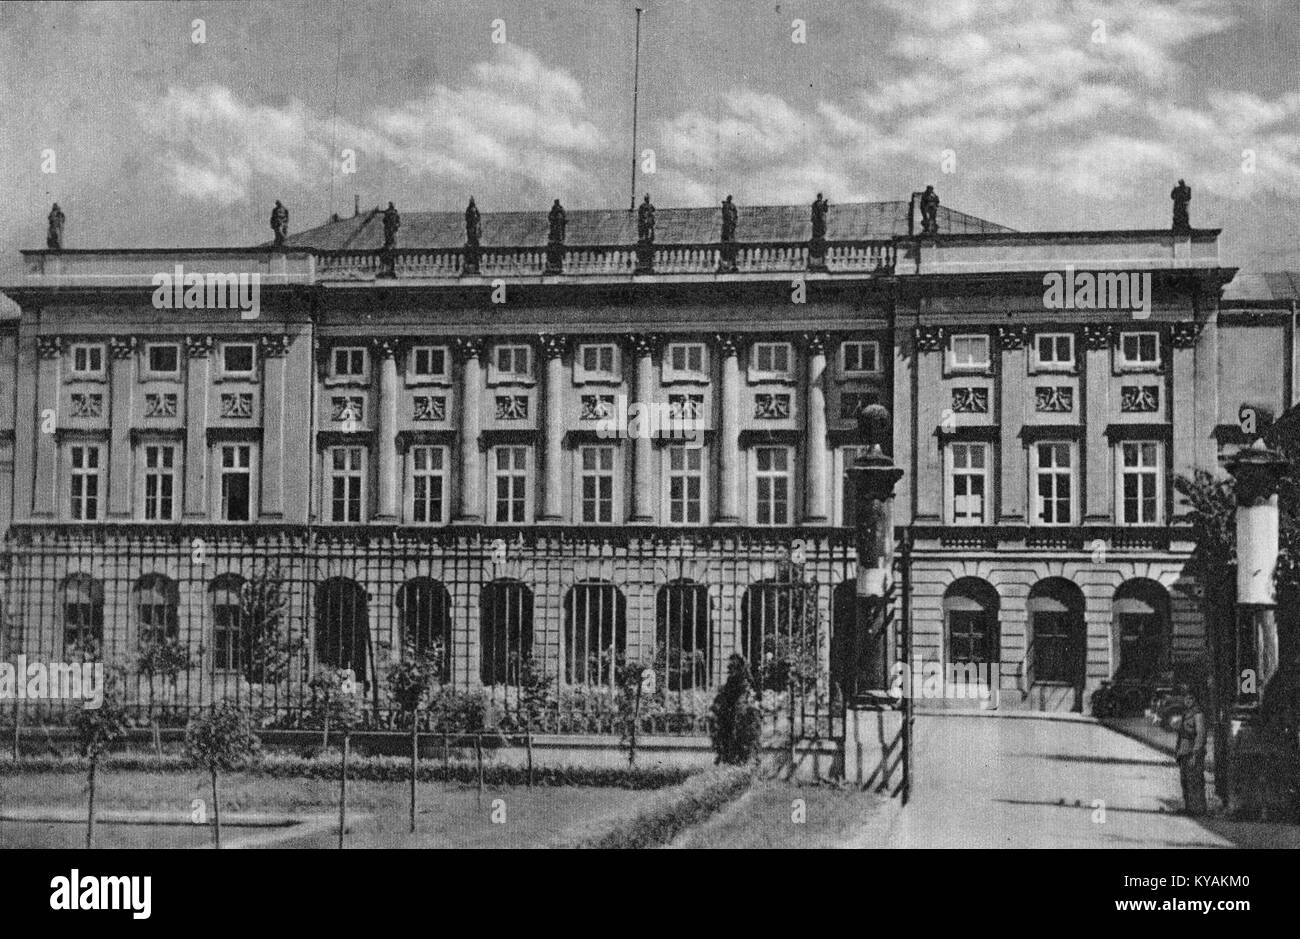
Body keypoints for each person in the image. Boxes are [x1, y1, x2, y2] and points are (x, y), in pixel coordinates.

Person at [1174, 683, 1208, 815]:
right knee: (1185, 781)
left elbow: (1200, 734)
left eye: (1190, 699)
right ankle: (1189, 807)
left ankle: (1198, 809)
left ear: (1195, 700)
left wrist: (1196, 753)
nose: (1187, 701)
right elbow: (1181, 735)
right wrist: (1178, 751)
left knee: (1195, 781)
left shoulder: (1198, 715)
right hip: (1184, 751)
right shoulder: (1186, 714)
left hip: (1192, 752)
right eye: (1186, 699)